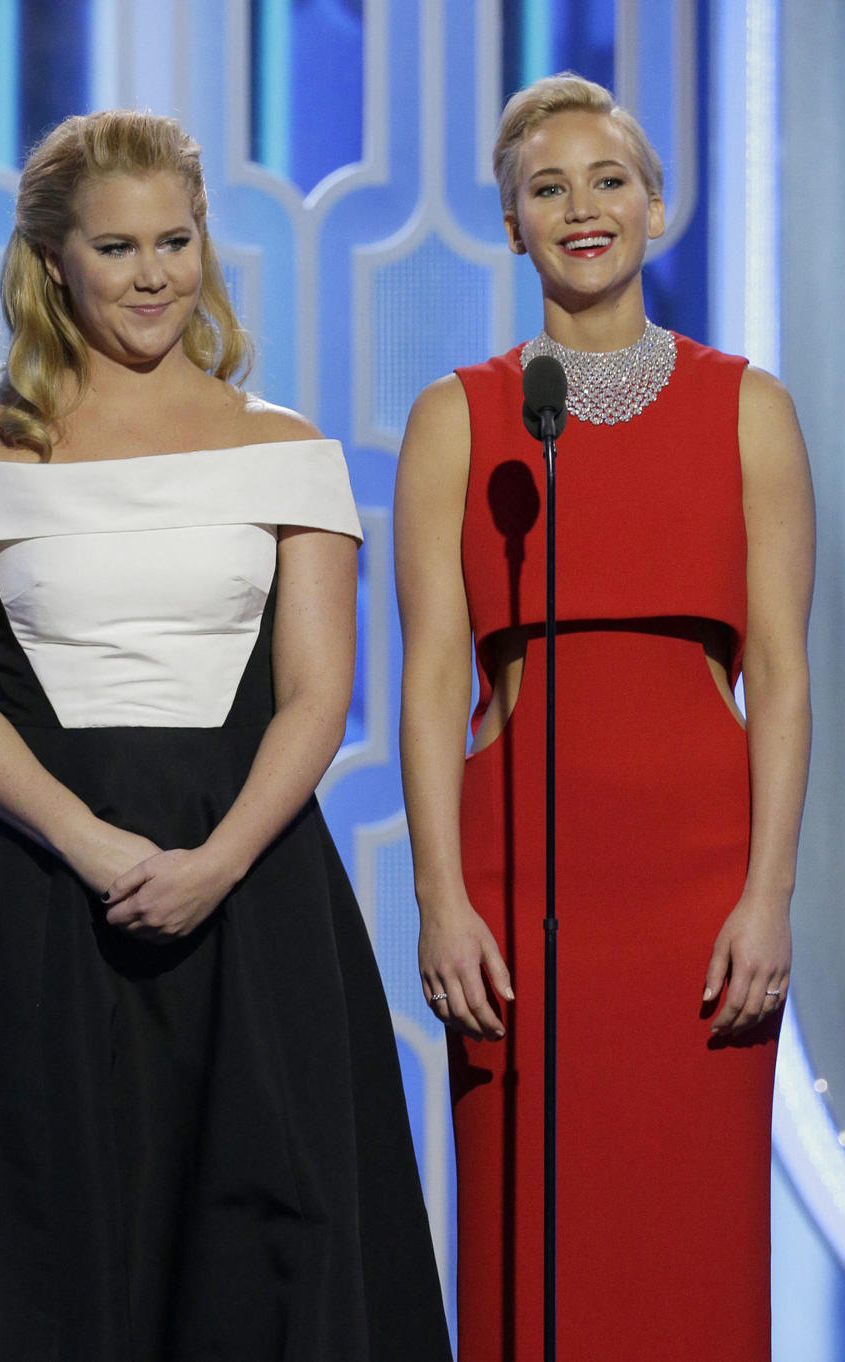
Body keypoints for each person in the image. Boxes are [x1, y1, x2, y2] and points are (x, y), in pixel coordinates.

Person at [0, 109, 453, 1362]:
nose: (153, 275)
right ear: (53, 264)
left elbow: (317, 696)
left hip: (249, 891)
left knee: (265, 1251)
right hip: (20, 895)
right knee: (31, 1261)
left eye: (176, 241)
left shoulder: (286, 449)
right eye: (117, 247)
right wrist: (89, 844)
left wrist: (212, 863)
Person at [395, 73, 813, 1362]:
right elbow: (426, 678)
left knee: (691, 1244)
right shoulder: (458, 417)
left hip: (697, 895)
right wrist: (440, 901)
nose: (583, 208)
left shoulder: (748, 408)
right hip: (517, 895)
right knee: (526, 1241)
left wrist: (768, 897)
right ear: (511, 226)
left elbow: (784, 674)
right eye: (547, 187)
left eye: (609, 179)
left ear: (659, 206)